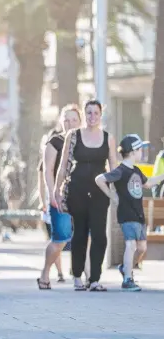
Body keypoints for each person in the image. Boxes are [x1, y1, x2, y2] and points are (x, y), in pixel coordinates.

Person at [54, 100, 118, 292]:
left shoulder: (108, 138)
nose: (92, 117)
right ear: (84, 114)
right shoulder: (73, 136)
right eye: (88, 113)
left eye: (95, 113)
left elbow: (114, 166)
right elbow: (64, 164)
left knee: (99, 235)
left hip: (100, 191)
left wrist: (116, 191)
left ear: (101, 115)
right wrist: (57, 190)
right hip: (77, 189)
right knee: (80, 233)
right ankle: (77, 276)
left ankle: (95, 279)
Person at [95, 134, 164, 291]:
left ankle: (125, 268)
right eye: (140, 150)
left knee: (142, 248)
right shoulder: (120, 171)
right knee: (131, 245)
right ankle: (127, 279)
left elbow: (148, 184)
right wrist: (112, 195)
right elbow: (100, 179)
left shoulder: (137, 170)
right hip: (127, 215)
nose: (142, 153)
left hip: (139, 215)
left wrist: (162, 176)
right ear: (133, 152)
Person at [37, 104, 82, 289]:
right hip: (60, 196)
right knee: (60, 239)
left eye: (74, 120)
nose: (70, 123)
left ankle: (80, 276)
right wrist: (51, 194)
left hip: (81, 195)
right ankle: (45, 273)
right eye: (66, 119)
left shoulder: (84, 141)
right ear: (60, 121)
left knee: (83, 237)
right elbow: (47, 171)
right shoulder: (55, 141)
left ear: (80, 122)